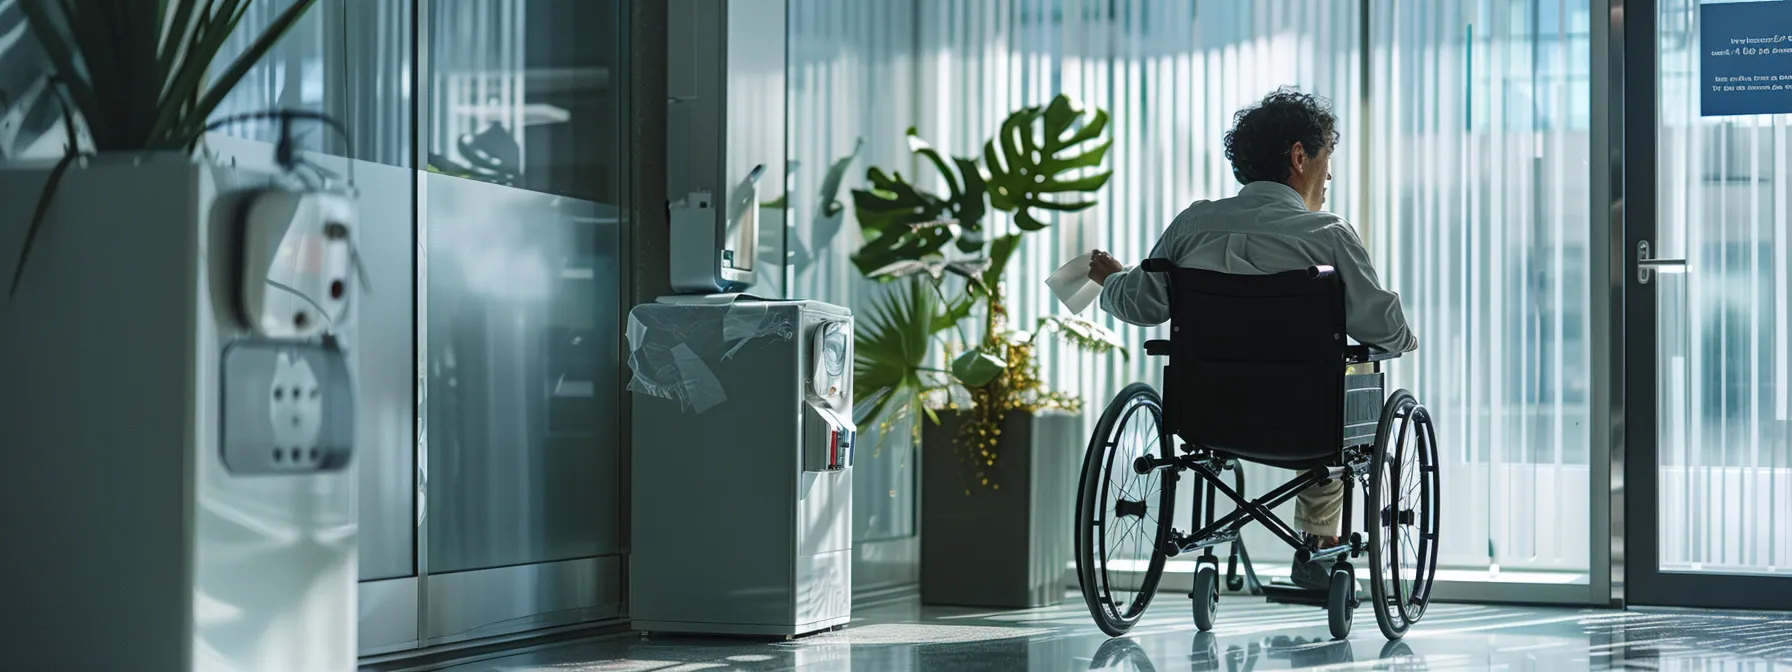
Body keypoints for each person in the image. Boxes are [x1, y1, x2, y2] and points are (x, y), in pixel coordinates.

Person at [1086, 88, 1418, 591]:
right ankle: (1319, 546)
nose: (1328, 177)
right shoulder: (1328, 234)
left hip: (1206, 416)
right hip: (1306, 423)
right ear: (1300, 156)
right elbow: (1385, 331)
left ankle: (1218, 553)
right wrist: (1404, 336)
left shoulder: (1193, 224)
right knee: (1350, 382)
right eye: (1326, 160)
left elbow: (1144, 304)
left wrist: (1112, 278)